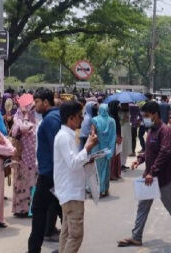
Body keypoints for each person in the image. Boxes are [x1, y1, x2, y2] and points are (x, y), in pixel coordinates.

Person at [117, 101, 171, 248]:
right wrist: (140, 159)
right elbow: (150, 151)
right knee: (143, 206)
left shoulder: (166, 131)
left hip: (162, 178)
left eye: (146, 115)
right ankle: (136, 236)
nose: (144, 118)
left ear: (155, 114)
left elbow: (165, 153)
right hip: (150, 177)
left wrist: (152, 171)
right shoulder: (151, 130)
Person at [54, 101, 98, 253]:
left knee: (67, 233)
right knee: (75, 235)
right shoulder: (64, 137)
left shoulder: (67, 136)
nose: (82, 119)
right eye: (80, 116)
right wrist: (87, 147)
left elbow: (72, 161)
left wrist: (87, 156)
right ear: (71, 118)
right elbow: (73, 163)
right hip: (70, 193)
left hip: (70, 191)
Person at [28, 88, 62, 253]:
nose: (35, 105)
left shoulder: (50, 120)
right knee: (62, 210)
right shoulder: (54, 117)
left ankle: (34, 249)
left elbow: (56, 149)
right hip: (54, 173)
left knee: (39, 210)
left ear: (46, 102)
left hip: (49, 174)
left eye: (37, 102)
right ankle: (68, 246)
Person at [92, 104, 116, 194]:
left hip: (97, 148)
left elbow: (92, 134)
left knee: (97, 169)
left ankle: (97, 190)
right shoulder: (112, 121)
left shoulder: (95, 120)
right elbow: (113, 135)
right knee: (106, 169)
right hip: (108, 148)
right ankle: (105, 189)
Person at [119, 103, 132, 168]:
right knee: (121, 147)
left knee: (126, 147)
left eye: (127, 105)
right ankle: (120, 164)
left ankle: (123, 164)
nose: (126, 106)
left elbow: (129, 120)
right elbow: (120, 122)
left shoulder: (128, 112)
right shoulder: (119, 112)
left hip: (127, 131)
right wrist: (124, 118)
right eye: (124, 105)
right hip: (122, 131)